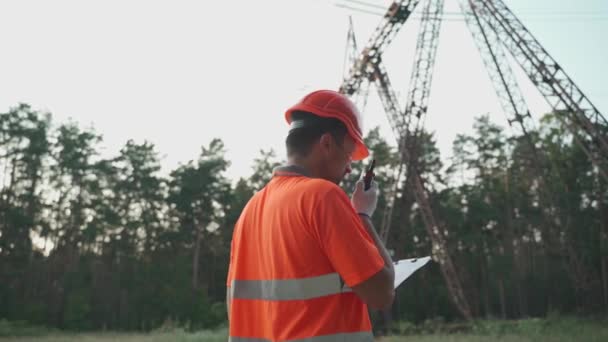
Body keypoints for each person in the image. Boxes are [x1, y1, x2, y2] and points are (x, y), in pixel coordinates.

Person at [226, 89, 395, 341]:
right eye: (348, 155)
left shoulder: (251, 209)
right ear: (326, 144)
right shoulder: (322, 196)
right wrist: (362, 215)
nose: (349, 168)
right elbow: (381, 293)